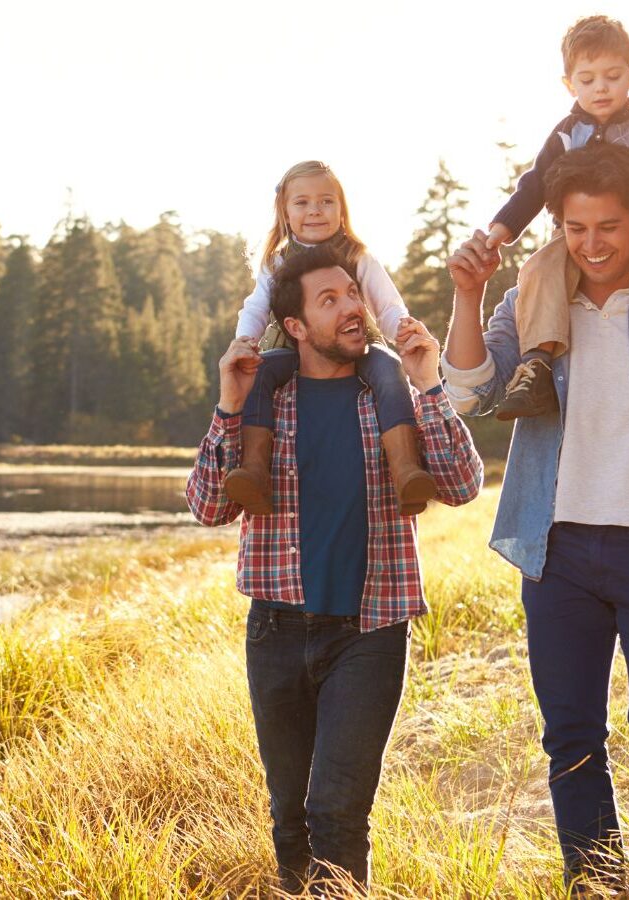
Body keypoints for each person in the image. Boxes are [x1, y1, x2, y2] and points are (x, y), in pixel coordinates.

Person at [443, 144, 629, 893]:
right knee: (572, 738)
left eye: (610, 227)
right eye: (577, 228)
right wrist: (467, 293)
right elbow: (471, 393)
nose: (593, 244)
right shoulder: (533, 300)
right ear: (556, 226)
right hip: (558, 553)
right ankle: (593, 881)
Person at [187, 245, 483, 894]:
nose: (354, 307)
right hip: (277, 631)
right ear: (295, 327)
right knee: (290, 820)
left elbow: (462, 486)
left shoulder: (391, 395)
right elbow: (208, 506)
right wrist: (229, 402)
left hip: (369, 633)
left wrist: (429, 380)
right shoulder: (269, 400)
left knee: (337, 813)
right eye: (331, 300)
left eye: (354, 293)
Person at [482, 14, 629, 420]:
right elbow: (533, 184)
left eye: (612, 76)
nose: (600, 87)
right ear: (570, 84)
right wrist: (500, 229)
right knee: (538, 268)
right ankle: (536, 364)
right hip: (578, 232)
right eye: (587, 79)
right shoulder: (566, 133)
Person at [226, 159, 436, 517]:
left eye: (326, 201)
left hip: (355, 347)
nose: (315, 211)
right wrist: (245, 340)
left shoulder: (357, 255)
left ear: (341, 209)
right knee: (261, 374)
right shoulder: (276, 263)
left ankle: (405, 469)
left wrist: (401, 330)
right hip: (288, 349)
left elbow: (386, 303)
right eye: (302, 202)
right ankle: (255, 470)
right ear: (285, 212)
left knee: (388, 369)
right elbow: (257, 306)